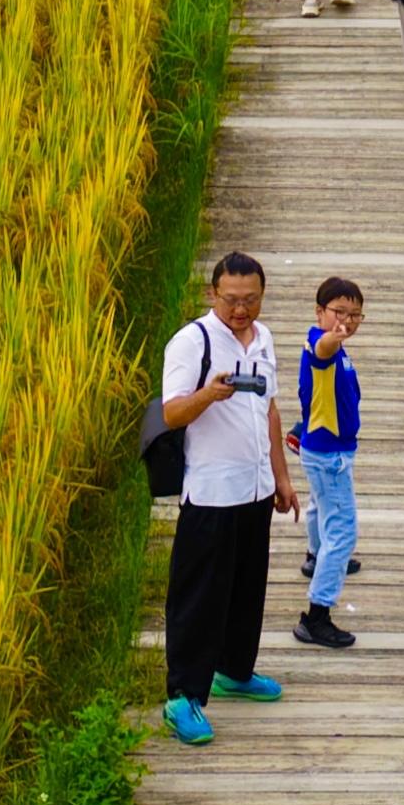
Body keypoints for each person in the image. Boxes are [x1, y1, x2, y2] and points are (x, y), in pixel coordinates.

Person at [152, 254, 290, 742]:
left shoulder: (265, 337)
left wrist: (282, 478)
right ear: (213, 294)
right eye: (231, 300)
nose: (241, 309)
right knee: (199, 597)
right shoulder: (193, 342)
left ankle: (234, 670)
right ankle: (181, 697)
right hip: (211, 492)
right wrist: (209, 395)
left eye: (250, 299)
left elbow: (269, 408)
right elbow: (170, 413)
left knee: (247, 587)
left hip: (255, 488)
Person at [287, 277, 367, 649]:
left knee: (320, 505)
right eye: (339, 312)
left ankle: (315, 556)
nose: (346, 322)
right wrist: (334, 336)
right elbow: (324, 347)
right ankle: (316, 616)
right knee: (344, 533)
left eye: (354, 315)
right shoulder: (325, 347)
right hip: (330, 455)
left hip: (322, 449)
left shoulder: (336, 349)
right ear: (319, 312)